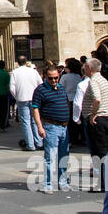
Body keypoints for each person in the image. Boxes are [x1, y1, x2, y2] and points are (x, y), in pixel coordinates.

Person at [31, 65, 72, 194]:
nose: (54, 81)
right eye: (51, 78)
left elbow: (66, 103)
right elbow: (35, 108)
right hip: (51, 126)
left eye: (56, 78)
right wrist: (39, 126)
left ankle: (62, 182)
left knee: (64, 155)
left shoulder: (61, 88)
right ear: (45, 77)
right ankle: (48, 184)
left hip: (64, 127)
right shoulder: (40, 90)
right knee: (50, 157)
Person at [9, 57, 42, 151]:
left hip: (22, 99)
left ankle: (30, 145)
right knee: (35, 120)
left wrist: (17, 96)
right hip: (34, 98)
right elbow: (40, 84)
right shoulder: (33, 71)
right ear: (26, 62)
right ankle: (39, 142)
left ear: (18, 63)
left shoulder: (15, 72)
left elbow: (12, 87)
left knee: (25, 122)